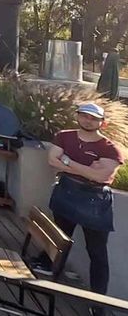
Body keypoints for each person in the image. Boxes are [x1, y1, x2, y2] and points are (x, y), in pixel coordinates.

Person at [40, 103, 124, 300]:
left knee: (97, 252)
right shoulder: (64, 136)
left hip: (95, 201)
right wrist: (87, 170)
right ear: (77, 116)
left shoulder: (110, 149)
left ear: (102, 123)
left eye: (94, 118)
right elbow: (52, 160)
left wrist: (67, 161)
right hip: (67, 191)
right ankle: (49, 277)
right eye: (85, 116)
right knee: (60, 239)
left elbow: (101, 176)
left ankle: (98, 300)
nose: (88, 120)